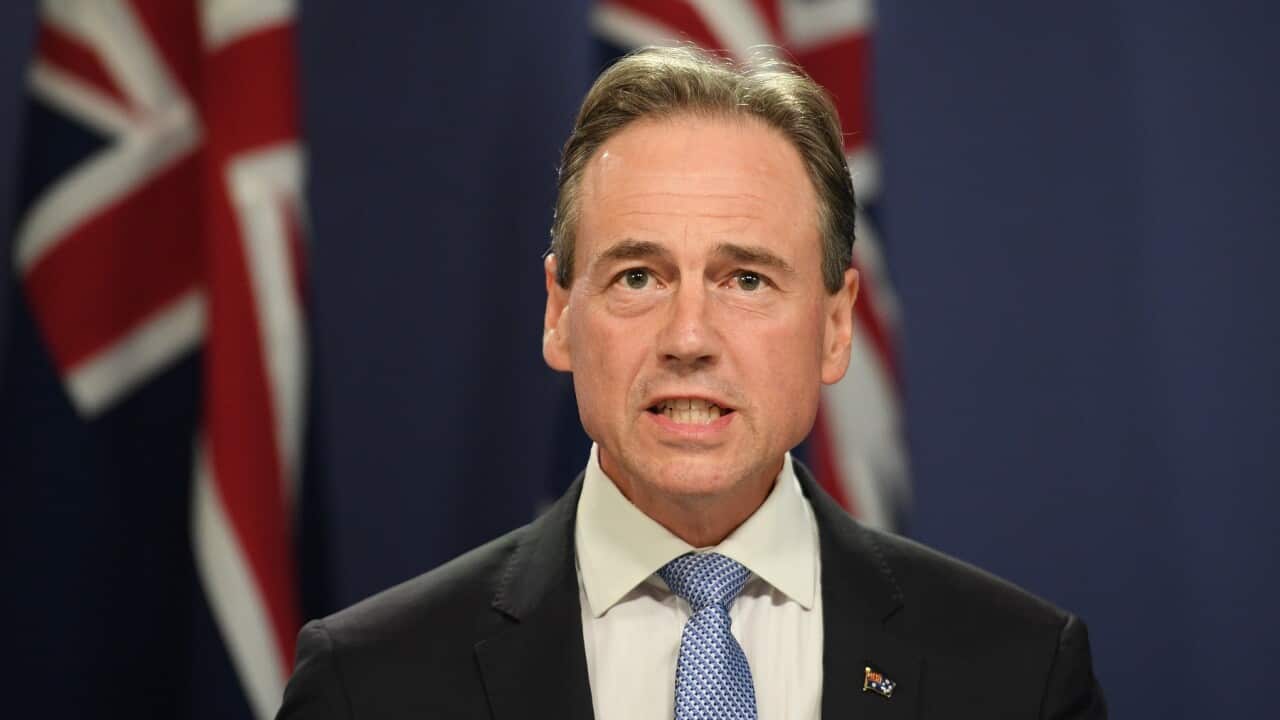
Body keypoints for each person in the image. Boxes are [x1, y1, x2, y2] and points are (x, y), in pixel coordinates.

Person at [277, 46, 1106, 719]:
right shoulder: (371, 685)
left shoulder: (1017, 674)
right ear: (560, 314)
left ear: (836, 325)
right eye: (638, 277)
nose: (689, 338)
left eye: (746, 280)